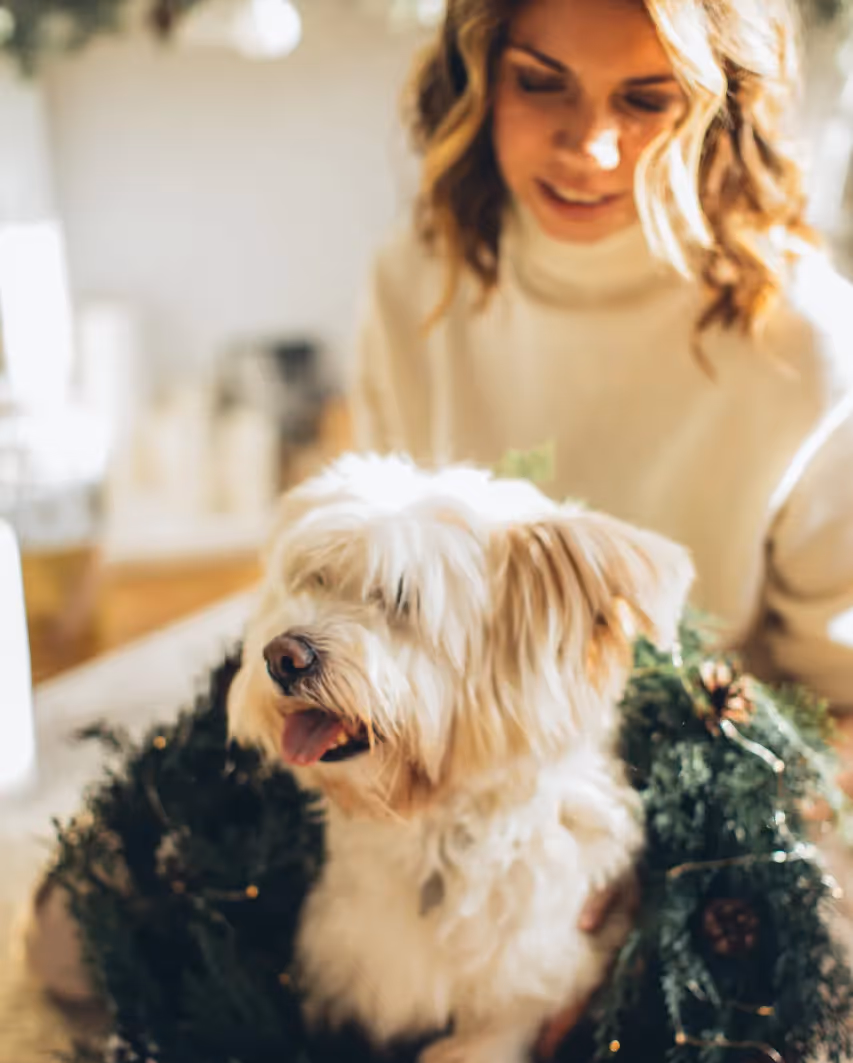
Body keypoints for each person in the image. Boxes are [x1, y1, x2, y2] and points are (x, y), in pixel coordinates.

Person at [351, 0, 853, 753]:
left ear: (719, 108)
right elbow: (373, 603)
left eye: (645, 99)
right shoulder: (414, 285)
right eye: (540, 84)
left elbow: (837, 703)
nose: (589, 147)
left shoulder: (803, 343)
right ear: (474, 78)